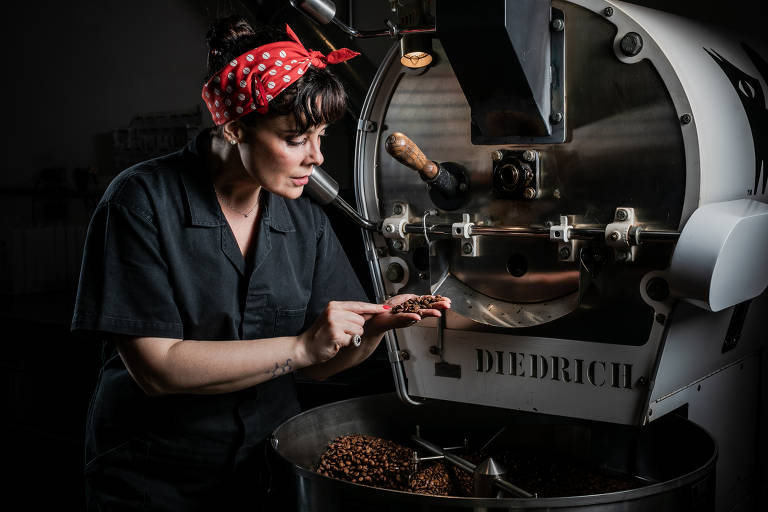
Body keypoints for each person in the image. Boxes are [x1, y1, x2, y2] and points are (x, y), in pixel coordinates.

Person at [71, 15, 450, 511]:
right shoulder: (141, 203)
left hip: (264, 472)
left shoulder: (302, 219)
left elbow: (320, 366)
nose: (316, 156)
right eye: (295, 138)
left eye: (321, 136)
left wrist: (375, 328)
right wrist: (301, 345)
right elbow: (158, 368)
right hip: (156, 477)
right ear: (233, 127)